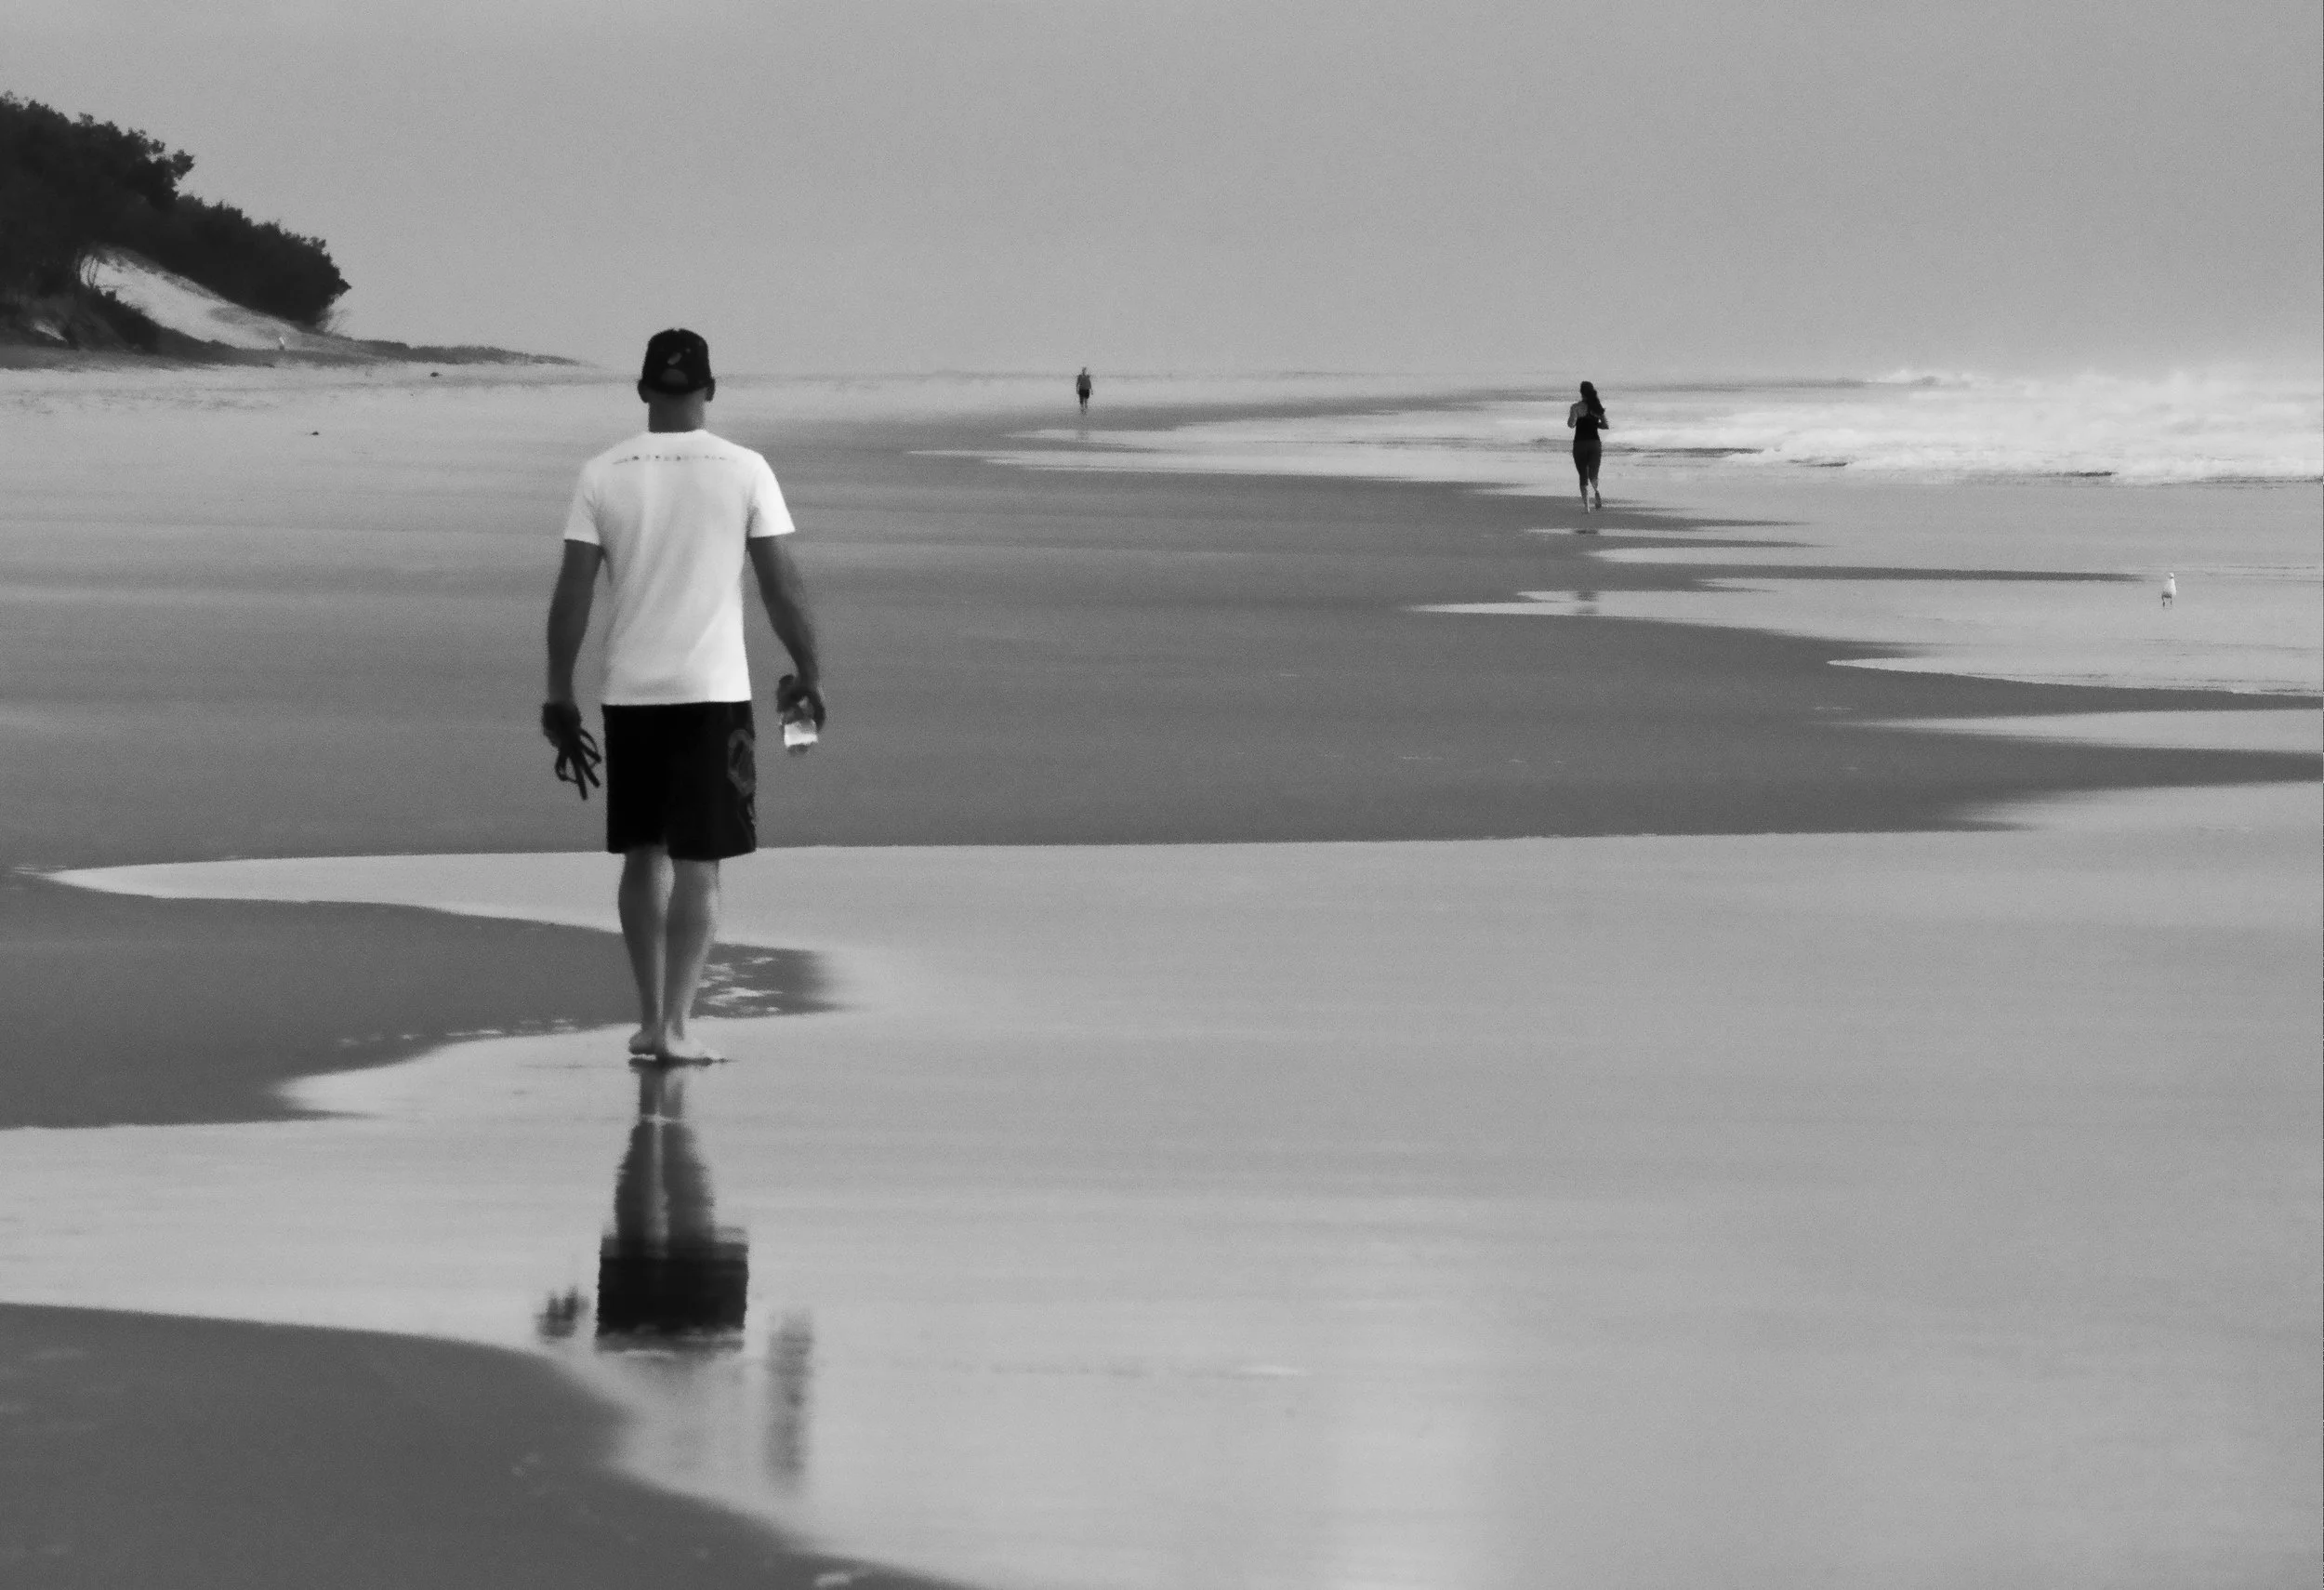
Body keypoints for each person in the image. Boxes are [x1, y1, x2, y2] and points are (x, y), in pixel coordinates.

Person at [541, 327, 824, 1064]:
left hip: (630, 693)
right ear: (710, 391)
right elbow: (779, 585)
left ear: (641, 390)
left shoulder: (602, 473)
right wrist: (808, 671)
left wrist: (557, 690)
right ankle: (676, 1025)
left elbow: (572, 593)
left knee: (643, 855)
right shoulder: (745, 468)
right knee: (701, 862)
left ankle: (647, 1020)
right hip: (711, 695)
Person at [1567, 380, 1608, 515]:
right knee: (1593, 473)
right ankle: (1596, 490)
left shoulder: (1576, 407)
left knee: (1582, 475)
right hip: (1594, 444)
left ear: (1581, 393)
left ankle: (1587, 507)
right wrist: (1594, 425)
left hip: (1580, 444)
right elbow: (1606, 425)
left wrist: (1577, 419)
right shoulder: (1597, 407)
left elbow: (1571, 424)